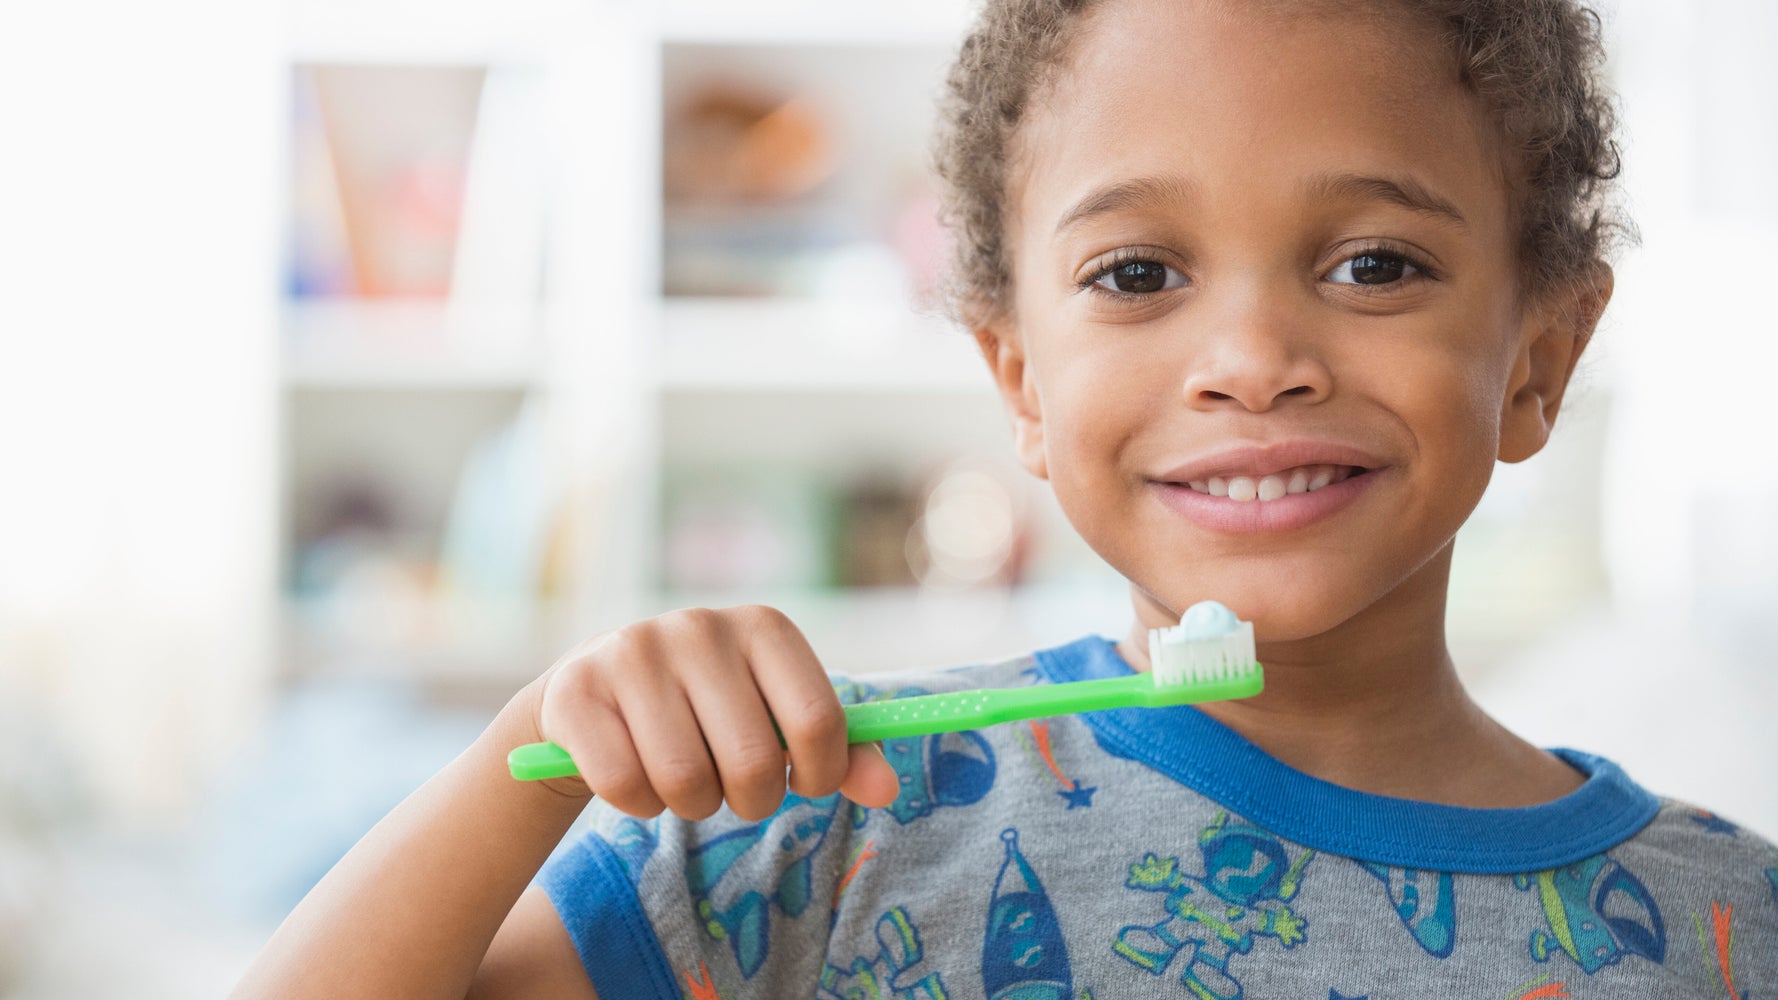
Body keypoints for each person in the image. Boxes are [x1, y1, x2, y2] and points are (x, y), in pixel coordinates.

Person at [231, 1, 1778, 997]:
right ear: (1020, 379)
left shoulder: (1726, 923)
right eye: (1136, 275)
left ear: (1539, 357)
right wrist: (532, 759)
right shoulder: (819, 832)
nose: (1248, 359)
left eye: (1372, 263)